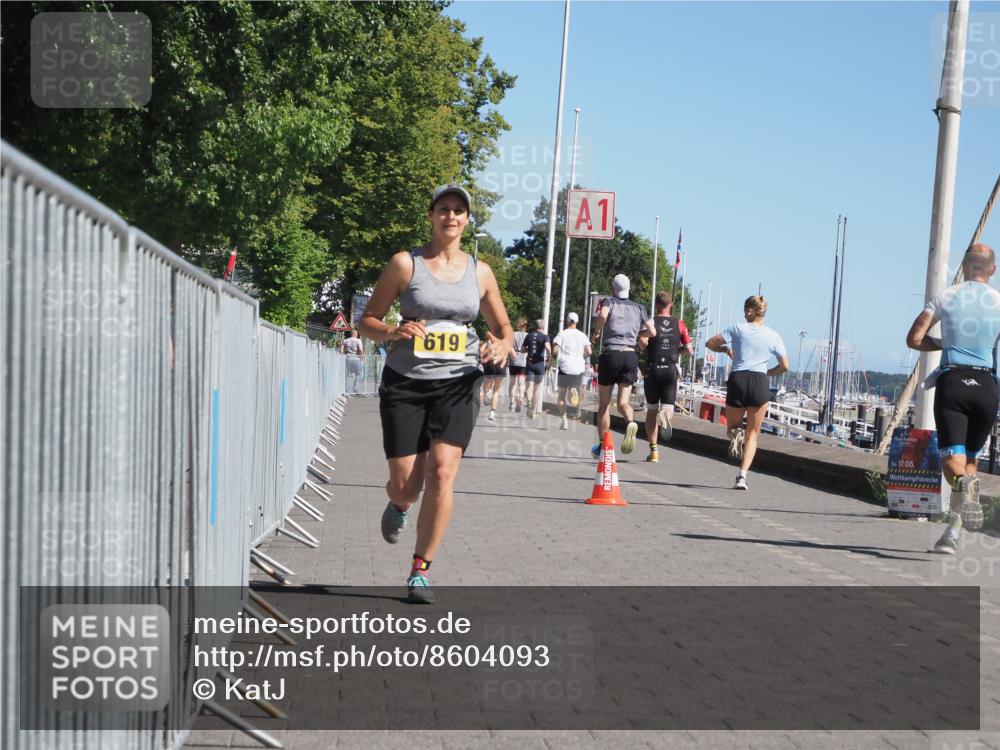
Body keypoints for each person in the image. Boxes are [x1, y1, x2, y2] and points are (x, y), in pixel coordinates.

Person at [359, 183, 514, 603]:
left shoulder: (480, 272)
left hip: (459, 381)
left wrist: (501, 345)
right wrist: (394, 330)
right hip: (406, 381)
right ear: (431, 215)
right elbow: (367, 320)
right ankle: (400, 504)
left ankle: (420, 571)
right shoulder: (405, 265)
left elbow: (504, 328)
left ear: (467, 220)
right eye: (443, 209)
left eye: (459, 210)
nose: (451, 216)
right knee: (407, 486)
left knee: (442, 473)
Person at [906, 243, 1000, 554]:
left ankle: (963, 487)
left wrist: (943, 344)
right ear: (992, 270)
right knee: (969, 462)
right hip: (987, 386)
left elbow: (914, 339)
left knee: (951, 462)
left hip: (954, 382)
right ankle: (952, 534)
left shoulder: (945, 296)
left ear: (965, 266)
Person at [705, 295, 789, 490]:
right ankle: (742, 476)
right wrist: (768, 372)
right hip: (759, 381)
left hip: (738, 379)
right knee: (753, 434)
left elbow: (710, 343)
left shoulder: (737, 329)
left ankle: (736, 435)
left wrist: (725, 350)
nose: (744, 314)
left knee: (732, 428)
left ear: (751, 311)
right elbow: (785, 366)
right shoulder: (773, 335)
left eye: (745, 310)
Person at [591, 274, 656, 458]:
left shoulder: (608, 302)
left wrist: (596, 332)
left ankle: (603, 446)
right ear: (629, 289)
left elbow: (603, 315)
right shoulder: (639, 307)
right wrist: (637, 334)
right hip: (630, 355)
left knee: (604, 405)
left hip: (611, 354)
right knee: (623, 403)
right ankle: (630, 422)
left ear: (613, 289)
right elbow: (652, 331)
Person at [638, 292, 693, 462]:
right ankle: (666, 417)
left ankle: (654, 451)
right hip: (670, 369)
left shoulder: (650, 322)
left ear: (656, 305)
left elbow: (642, 341)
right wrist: (677, 351)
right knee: (668, 407)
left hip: (653, 369)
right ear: (671, 305)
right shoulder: (680, 324)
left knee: (651, 411)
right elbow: (689, 350)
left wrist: (646, 350)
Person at [552, 312, 591, 429]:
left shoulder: (562, 334)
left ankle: (564, 420)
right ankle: (572, 391)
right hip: (578, 368)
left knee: (561, 397)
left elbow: (555, 349)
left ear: (567, 321)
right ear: (577, 322)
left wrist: (554, 356)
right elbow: (589, 351)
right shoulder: (582, 335)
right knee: (572, 397)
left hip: (565, 367)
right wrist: (583, 357)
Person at [521, 319, 551, 419]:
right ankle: (533, 410)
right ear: (542, 327)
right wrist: (549, 357)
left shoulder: (528, 335)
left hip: (530, 363)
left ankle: (529, 401)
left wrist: (528, 349)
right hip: (539, 364)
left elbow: (522, 350)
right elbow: (548, 347)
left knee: (529, 385)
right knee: (537, 388)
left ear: (535, 326)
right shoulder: (545, 337)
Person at [481, 347, 508, 421]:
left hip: (490, 364)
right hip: (501, 365)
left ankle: (487, 392)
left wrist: (484, 357)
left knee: (487, 385)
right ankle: (492, 412)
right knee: (496, 391)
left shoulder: (489, 342)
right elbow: (513, 354)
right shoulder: (505, 343)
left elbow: (481, 351)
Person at [508, 319, 529, 412]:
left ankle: (512, 402)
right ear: (525, 326)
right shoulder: (528, 335)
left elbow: (509, 346)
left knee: (512, 382)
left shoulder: (513, 334)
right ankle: (520, 397)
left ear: (518, 325)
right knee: (521, 382)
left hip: (513, 360)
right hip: (523, 360)